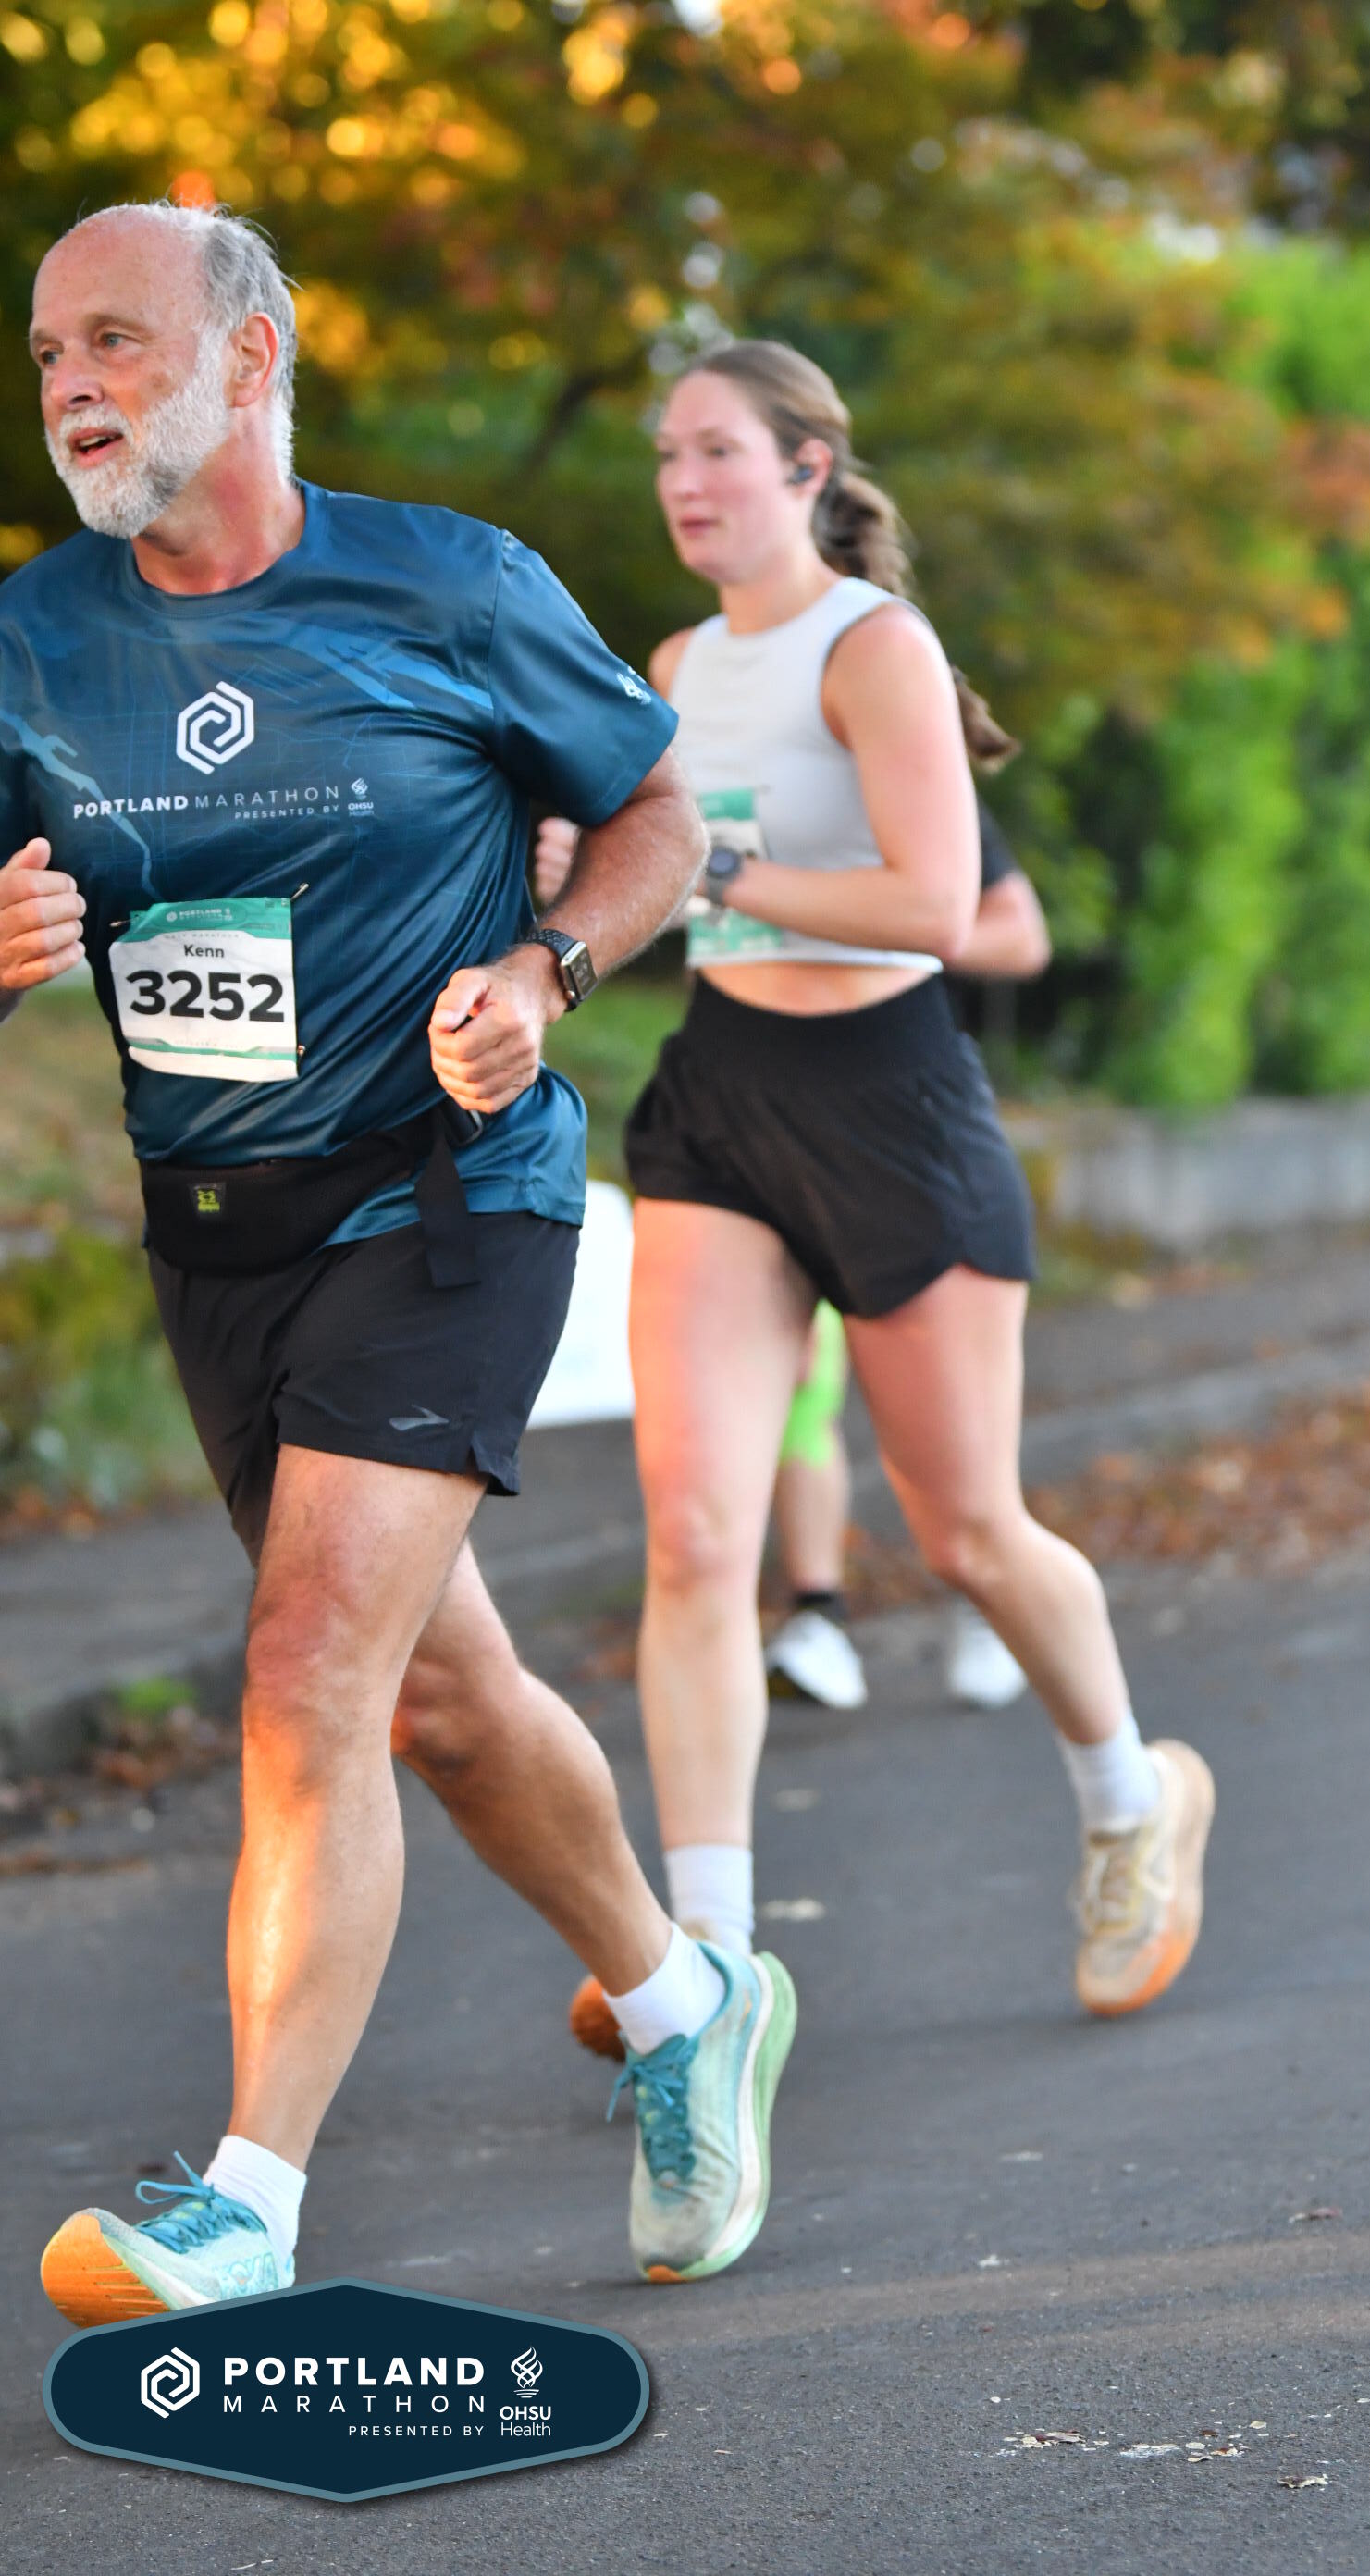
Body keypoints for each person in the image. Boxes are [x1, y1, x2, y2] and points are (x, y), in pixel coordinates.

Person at [4, 200, 795, 2319]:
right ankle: (686, 2000)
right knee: (439, 1696)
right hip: (219, 1239)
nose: (73, 386)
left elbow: (657, 814)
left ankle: (246, 2205)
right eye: (49, 352)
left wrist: (546, 969)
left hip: (445, 1199)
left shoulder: (448, 584)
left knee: (305, 1677)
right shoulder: (32, 636)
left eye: (116, 340)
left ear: (249, 359)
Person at [564, 339, 1213, 2062]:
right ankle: (706, 1961)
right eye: (667, 454)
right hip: (721, 1099)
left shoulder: (876, 647)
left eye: (718, 450)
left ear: (806, 466)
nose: (684, 481)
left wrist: (713, 862)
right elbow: (661, 887)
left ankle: (1133, 1795)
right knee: (698, 1534)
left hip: (894, 1105)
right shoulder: (676, 665)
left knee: (968, 1529)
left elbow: (937, 902)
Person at [761, 805, 1053, 1715]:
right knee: (799, 1380)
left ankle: (985, 1592)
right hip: (755, 1113)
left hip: (908, 1117)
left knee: (948, 1411)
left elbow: (1021, 936)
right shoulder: (729, 776)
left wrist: (884, 922)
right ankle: (816, 1612)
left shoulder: (920, 789)